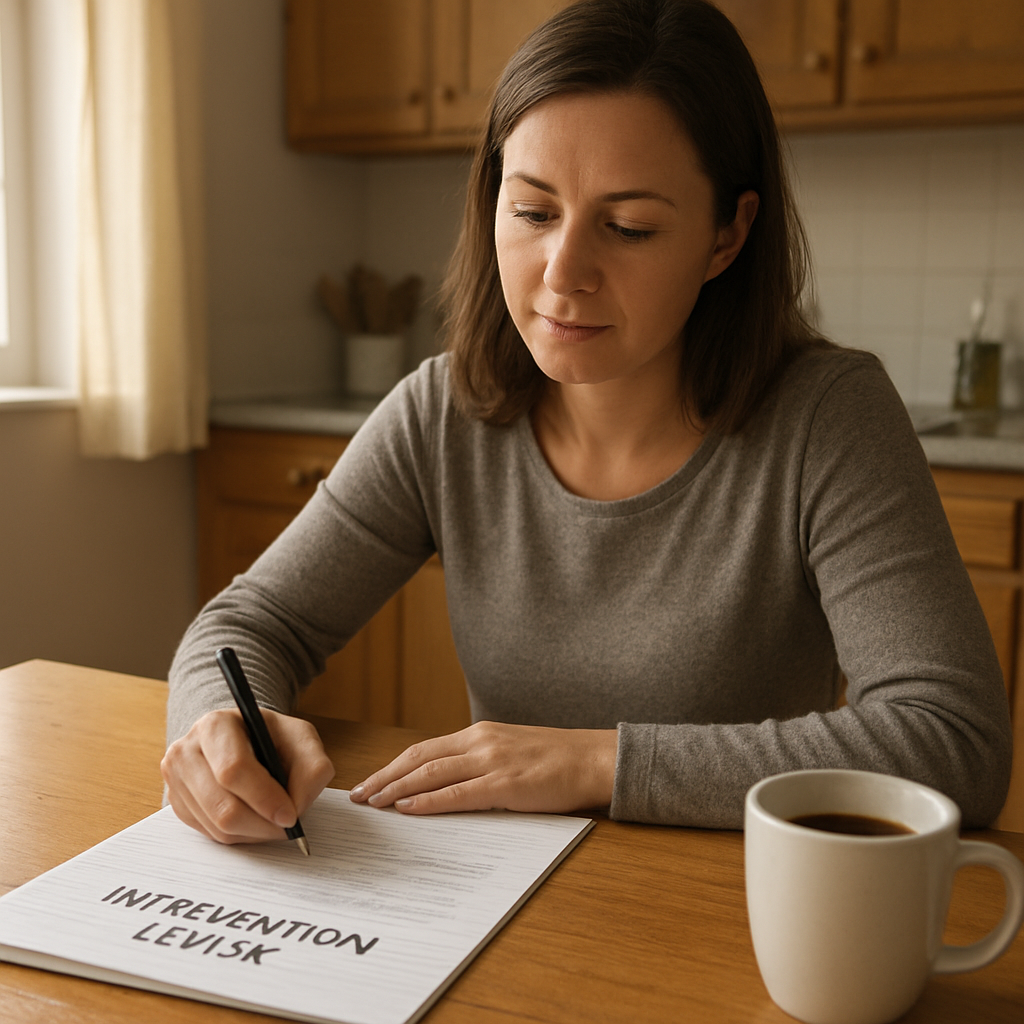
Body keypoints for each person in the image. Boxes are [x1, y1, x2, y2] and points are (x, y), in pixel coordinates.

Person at [162, 0, 1012, 846]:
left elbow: (953, 740)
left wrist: (595, 764)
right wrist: (219, 730)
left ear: (727, 236)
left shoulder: (828, 418)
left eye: (629, 227)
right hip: (495, 898)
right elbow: (245, 629)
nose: (562, 275)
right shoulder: (441, 412)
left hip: (730, 911)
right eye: (532, 212)